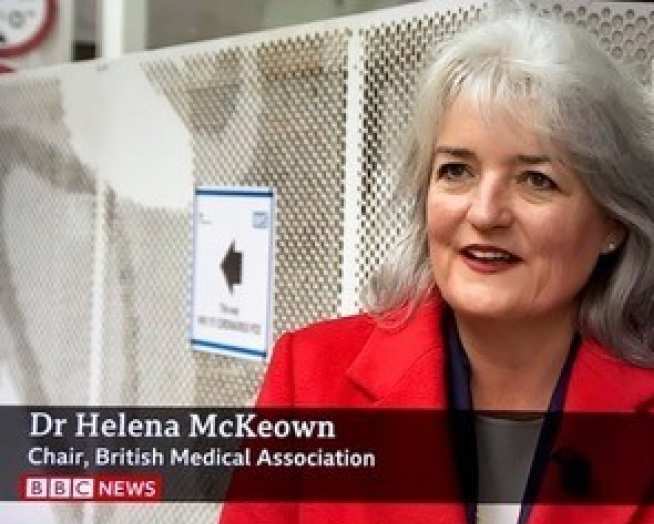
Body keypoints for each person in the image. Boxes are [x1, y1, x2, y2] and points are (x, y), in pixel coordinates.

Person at [219, 8, 654, 524]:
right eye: (456, 171)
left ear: (612, 222)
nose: (485, 213)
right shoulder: (310, 379)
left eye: (536, 180)